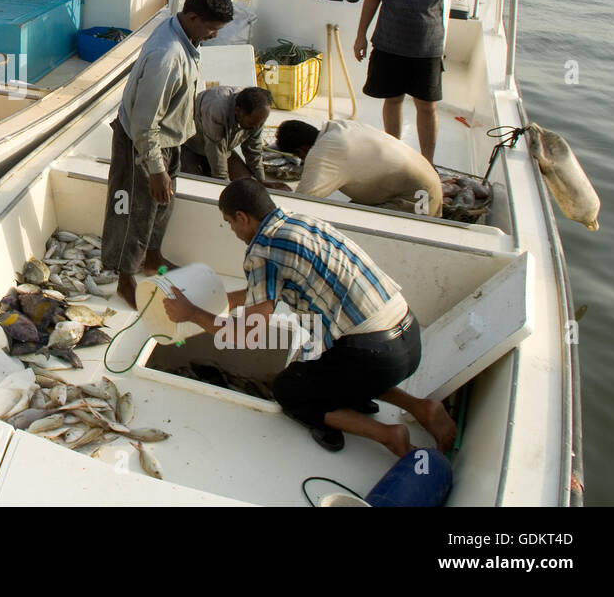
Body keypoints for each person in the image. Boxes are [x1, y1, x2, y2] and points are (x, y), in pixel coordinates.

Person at [164, 179, 457, 457]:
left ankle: (388, 434)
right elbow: (267, 290)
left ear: (242, 217)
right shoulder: (299, 222)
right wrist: (225, 301)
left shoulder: (262, 251)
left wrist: (191, 313)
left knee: (290, 389)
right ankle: (420, 407)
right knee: (334, 361)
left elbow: (246, 336)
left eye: (229, 223)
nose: (232, 230)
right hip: (409, 336)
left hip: (375, 356)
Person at [100, 0, 234, 308]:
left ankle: (152, 257)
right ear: (192, 17)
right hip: (142, 144)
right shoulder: (167, 56)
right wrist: (156, 169)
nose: (215, 35)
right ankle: (124, 277)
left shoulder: (186, 36)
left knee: (162, 206)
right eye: (212, 28)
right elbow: (145, 125)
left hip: (170, 139)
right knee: (132, 210)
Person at [353, 0, 468, 164]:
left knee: (426, 106)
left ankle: (427, 163)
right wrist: (361, 34)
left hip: (426, 44)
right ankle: (394, 158)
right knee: (392, 100)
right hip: (389, 40)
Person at [275, 119, 443, 216]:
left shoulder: (324, 152)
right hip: (429, 178)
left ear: (301, 151)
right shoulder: (340, 127)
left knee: (352, 228)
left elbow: (302, 204)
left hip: (420, 197)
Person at [180, 85, 273, 184]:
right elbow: (216, 151)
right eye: (251, 124)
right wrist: (223, 185)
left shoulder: (257, 117)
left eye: (260, 124)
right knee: (197, 185)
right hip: (191, 145)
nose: (256, 127)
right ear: (238, 111)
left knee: (246, 184)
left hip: (224, 149)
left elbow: (253, 148)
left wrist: (261, 180)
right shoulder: (217, 109)